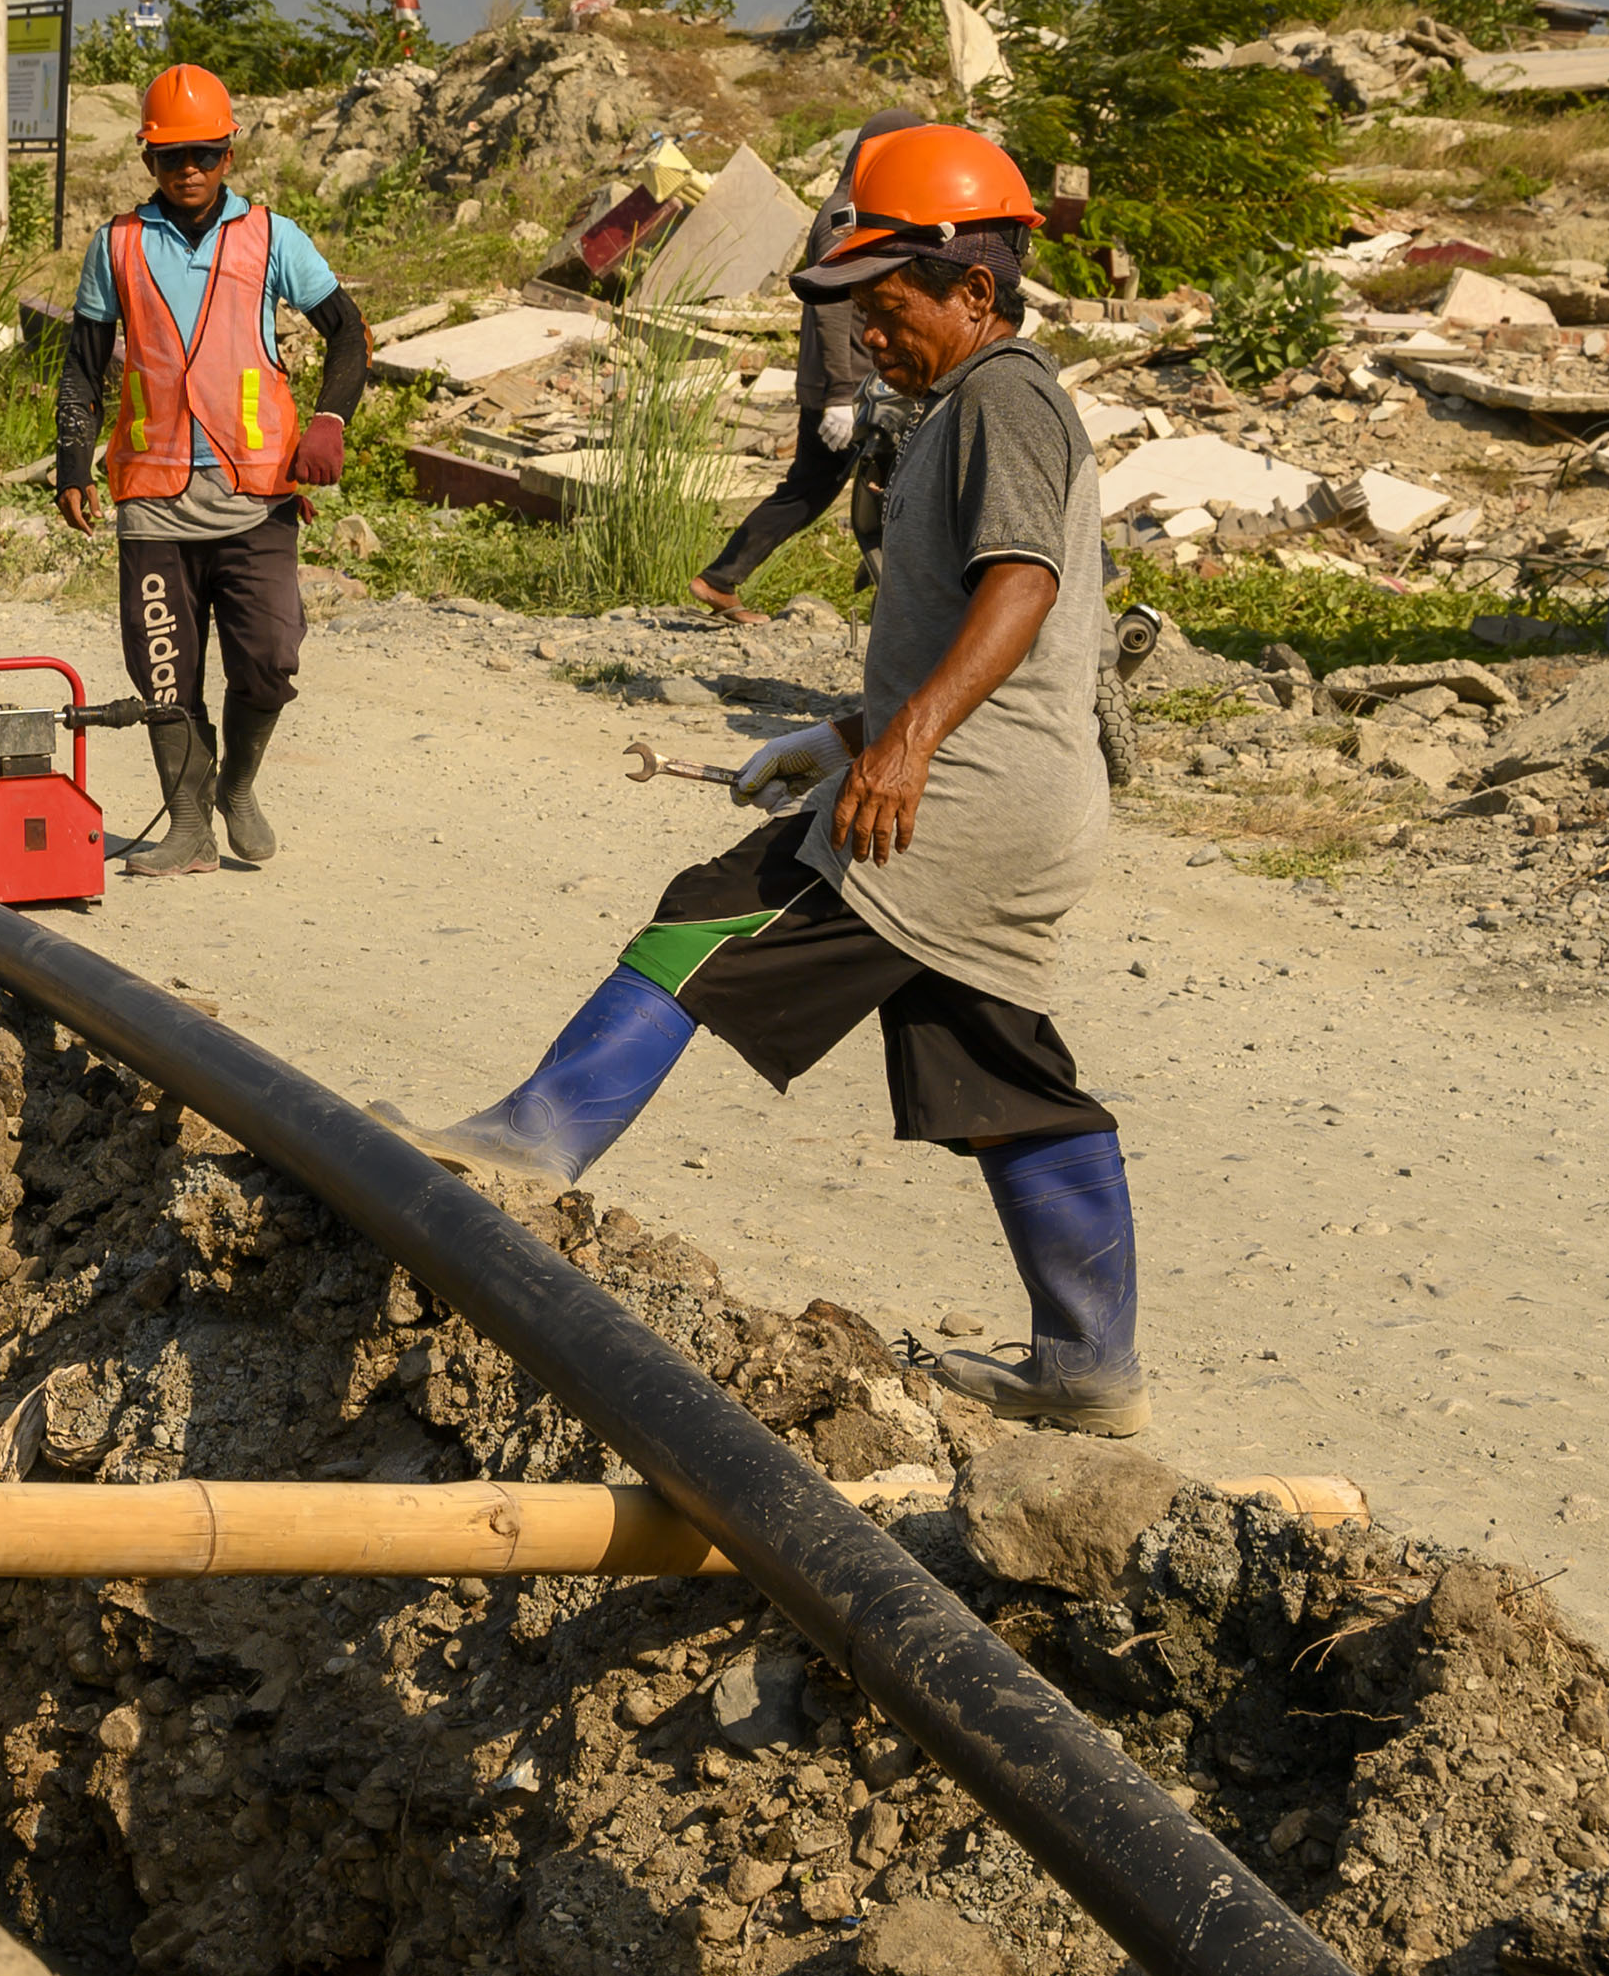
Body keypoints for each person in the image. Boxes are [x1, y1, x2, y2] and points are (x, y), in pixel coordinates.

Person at [380, 124, 1145, 1435]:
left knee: (711, 909)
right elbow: (975, 624)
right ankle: (1089, 1367)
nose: (866, 339)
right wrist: (848, 733)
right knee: (998, 1066)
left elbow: (1024, 587)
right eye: (852, 313)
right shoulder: (977, 403)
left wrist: (903, 749)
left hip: (964, 794)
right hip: (1022, 795)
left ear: (975, 285)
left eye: (884, 307)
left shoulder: (1006, 397)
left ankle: (527, 1147)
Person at [53, 65, 369, 875]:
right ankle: (188, 825)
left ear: (228, 153)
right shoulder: (116, 246)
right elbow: (84, 365)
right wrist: (69, 460)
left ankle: (236, 784)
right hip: (153, 499)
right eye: (170, 157)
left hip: (254, 495)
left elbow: (347, 331)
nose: (187, 170)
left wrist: (330, 419)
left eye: (203, 154)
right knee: (165, 671)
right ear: (148, 161)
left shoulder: (272, 238)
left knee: (269, 660)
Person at [691, 107, 922, 621]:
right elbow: (831, 308)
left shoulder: (862, 208)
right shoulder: (844, 217)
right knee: (814, 488)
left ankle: (722, 578)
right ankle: (721, 577)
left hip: (863, 381)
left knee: (831, 486)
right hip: (846, 386)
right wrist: (840, 395)